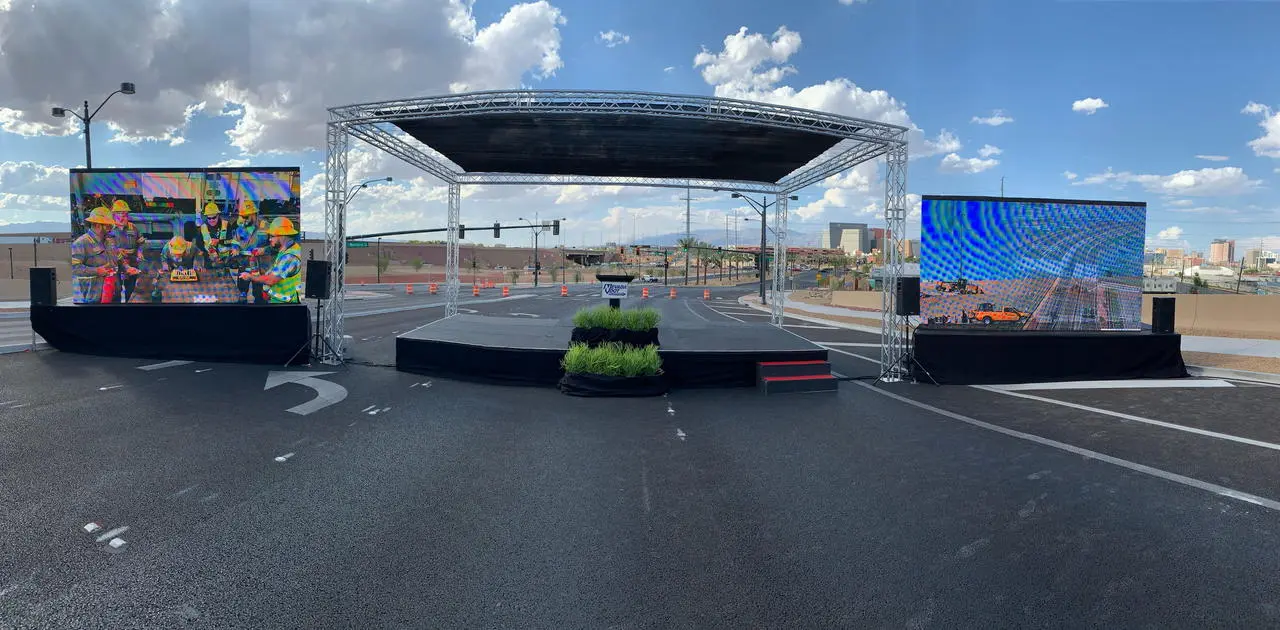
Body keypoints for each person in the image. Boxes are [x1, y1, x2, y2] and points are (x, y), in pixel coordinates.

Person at [240, 217, 303, 304]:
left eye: (272, 236)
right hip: (279, 300)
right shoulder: (286, 247)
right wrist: (262, 250)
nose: (269, 239)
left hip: (286, 304)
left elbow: (271, 280)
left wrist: (250, 277)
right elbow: (273, 250)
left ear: (282, 236)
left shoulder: (290, 257)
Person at [226, 199, 270, 303]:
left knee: (260, 296)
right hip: (244, 265)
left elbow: (275, 246)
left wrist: (264, 250)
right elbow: (235, 242)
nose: (243, 219)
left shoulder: (265, 226)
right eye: (242, 216)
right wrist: (235, 248)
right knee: (242, 294)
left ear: (254, 214)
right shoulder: (240, 228)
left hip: (261, 268)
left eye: (245, 216)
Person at [70, 207, 117, 304]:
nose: (111, 228)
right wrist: (96, 271)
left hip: (112, 294)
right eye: (108, 226)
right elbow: (74, 267)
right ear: (98, 225)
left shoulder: (108, 242)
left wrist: (126, 267)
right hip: (94, 297)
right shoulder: (81, 243)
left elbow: (117, 259)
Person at [107, 199, 145, 302]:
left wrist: (140, 251)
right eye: (122, 215)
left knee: (131, 289)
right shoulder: (108, 228)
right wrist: (116, 250)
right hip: (115, 263)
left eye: (126, 215)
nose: (124, 218)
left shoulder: (133, 228)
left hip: (132, 261)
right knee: (116, 289)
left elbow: (140, 242)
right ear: (114, 215)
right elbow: (105, 247)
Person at [195, 202, 231, 269]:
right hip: (210, 262)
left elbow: (232, 241)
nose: (211, 220)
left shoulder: (226, 225)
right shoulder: (202, 227)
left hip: (225, 262)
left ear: (218, 215)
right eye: (209, 218)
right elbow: (198, 244)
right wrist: (207, 253)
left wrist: (219, 241)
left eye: (214, 217)